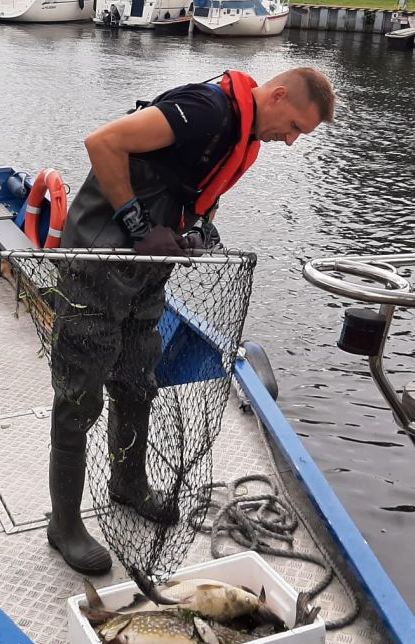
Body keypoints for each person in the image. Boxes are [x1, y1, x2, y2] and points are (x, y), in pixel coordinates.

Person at [45, 67, 336, 575]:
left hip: (144, 273)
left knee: (138, 379)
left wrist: (193, 232)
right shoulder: (206, 110)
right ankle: (64, 525)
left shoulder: (242, 136)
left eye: (298, 136)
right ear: (279, 95)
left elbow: (190, 190)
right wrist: (138, 226)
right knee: (79, 395)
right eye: (292, 127)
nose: (289, 141)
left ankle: (128, 483)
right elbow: (103, 142)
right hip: (99, 260)